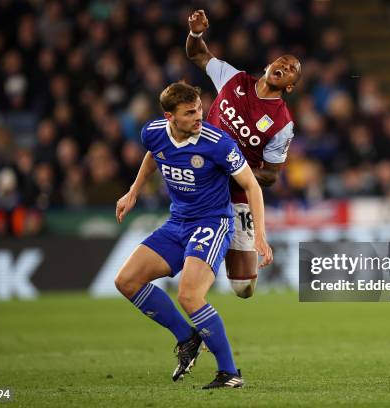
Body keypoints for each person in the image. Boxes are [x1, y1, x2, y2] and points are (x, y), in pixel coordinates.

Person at [114, 82, 272, 389]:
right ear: (170, 116)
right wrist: (133, 191)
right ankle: (187, 338)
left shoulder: (217, 143)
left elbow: (252, 185)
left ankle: (229, 372)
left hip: (212, 223)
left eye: (199, 108)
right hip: (177, 223)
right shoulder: (153, 132)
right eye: (189, 113)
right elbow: (153, 155)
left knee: (189, 295)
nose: (199, 116)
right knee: (126, 281)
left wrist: (260, 235)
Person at [186, 9, 301, 298]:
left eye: (291, 70)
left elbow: (272, 176)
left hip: (238, 196)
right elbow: (197, 55)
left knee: (243, 287)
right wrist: (196, 33)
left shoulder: (282, 124)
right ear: (268, 65)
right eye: (283, 62)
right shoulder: (233, 80)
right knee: (189, 260)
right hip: (200, 178)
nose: (285, 66)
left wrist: (236, 171)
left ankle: (221, 244)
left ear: (289, 86)